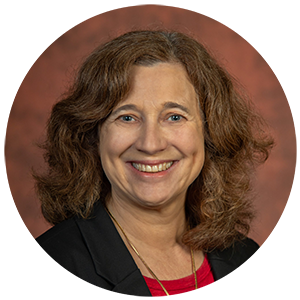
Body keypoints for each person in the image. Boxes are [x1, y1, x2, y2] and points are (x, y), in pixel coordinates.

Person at [32, 30, 273, 297]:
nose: (150, 143)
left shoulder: (248, 261)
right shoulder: (45, 267)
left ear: (210, 132)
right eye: (127, 117)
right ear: (92, 135)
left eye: (174, 117)